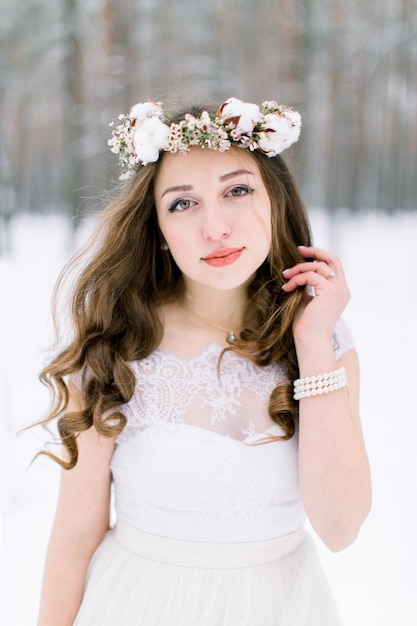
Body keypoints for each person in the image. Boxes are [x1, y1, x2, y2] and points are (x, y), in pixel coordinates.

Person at [36, 97, 371, 626]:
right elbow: (75, 535)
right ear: (160, 230)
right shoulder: (116, 349)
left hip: (282, 608)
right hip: (141, 606)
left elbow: (340, 526)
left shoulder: (323, 343)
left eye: (237, 190)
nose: (215, 227)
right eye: (182, 203)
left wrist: (312, 345)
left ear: (275, 200)